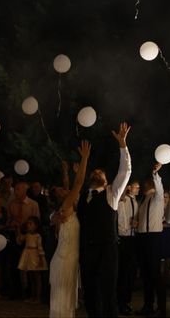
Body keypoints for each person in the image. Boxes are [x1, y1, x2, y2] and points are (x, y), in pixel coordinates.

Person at [77, 122, 132, 318]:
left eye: (101, 173)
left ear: (107, 181)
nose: (98, 172)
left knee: (108, 291)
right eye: (95, 172)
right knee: (90, 292)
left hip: (107, 248)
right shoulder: (82, 197)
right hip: (87, 249)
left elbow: (125, 171)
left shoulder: (111, 194)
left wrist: (123, 145)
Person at [49, 140, 90, 318]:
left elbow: (69, 184)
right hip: (65, 258)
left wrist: (65, 171)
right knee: (63, 296)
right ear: (60, 196)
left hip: (65, 257)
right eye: (60, 189)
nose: (64, 189)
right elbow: (79, 182)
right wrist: (84, 159)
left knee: (63, 297)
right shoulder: (65, 207)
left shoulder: (65, 208)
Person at [135, 162, 165, 316]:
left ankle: (161, 307)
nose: (142, 186)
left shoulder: (157, 197)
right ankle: (148, 306)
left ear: (149, 184)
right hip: (143, 238)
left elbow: (160, 188)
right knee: (146, 274)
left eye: (144, 183)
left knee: (154, 273)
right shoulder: (142, 201)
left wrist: (155, 174)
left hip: (154, 237)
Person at [116, 179, 139, 315]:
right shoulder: (120, 201)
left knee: (129, 271)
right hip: (122, 237)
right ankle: (121, 302)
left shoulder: (135, 202)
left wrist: (135, 223)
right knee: (122, 272)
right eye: (136, 187)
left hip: (132, 237)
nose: (138, 189)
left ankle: (125, 301)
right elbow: (119, 218)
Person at [17, 216, 48, 303]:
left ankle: (38, 297)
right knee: (31, 277)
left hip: (35, 256)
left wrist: (41, 258)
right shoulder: (27, 235)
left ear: (36, 226)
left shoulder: (38, 236)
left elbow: (40, 247)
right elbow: (19, 241)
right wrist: (18, 231)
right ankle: (33, 296)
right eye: (28, 224)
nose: (28, 225)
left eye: (30, 224)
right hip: (27, 256)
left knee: (37, 277)